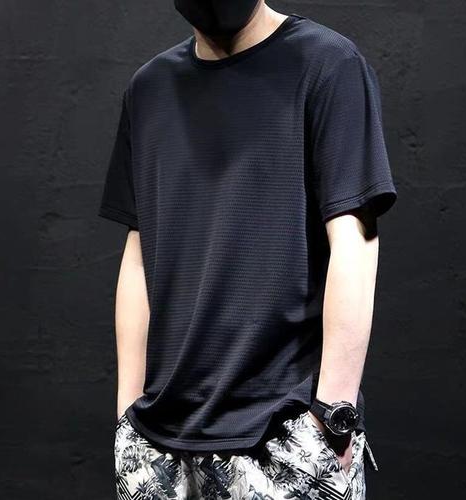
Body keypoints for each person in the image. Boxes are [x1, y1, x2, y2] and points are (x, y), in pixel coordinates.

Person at [98, 1, 397, 498]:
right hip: (158, 441)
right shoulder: (149, 88)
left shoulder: (327, 64)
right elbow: (139, 251)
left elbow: (355, 241)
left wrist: (333, 415)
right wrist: (127, 421)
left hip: (284, 434)